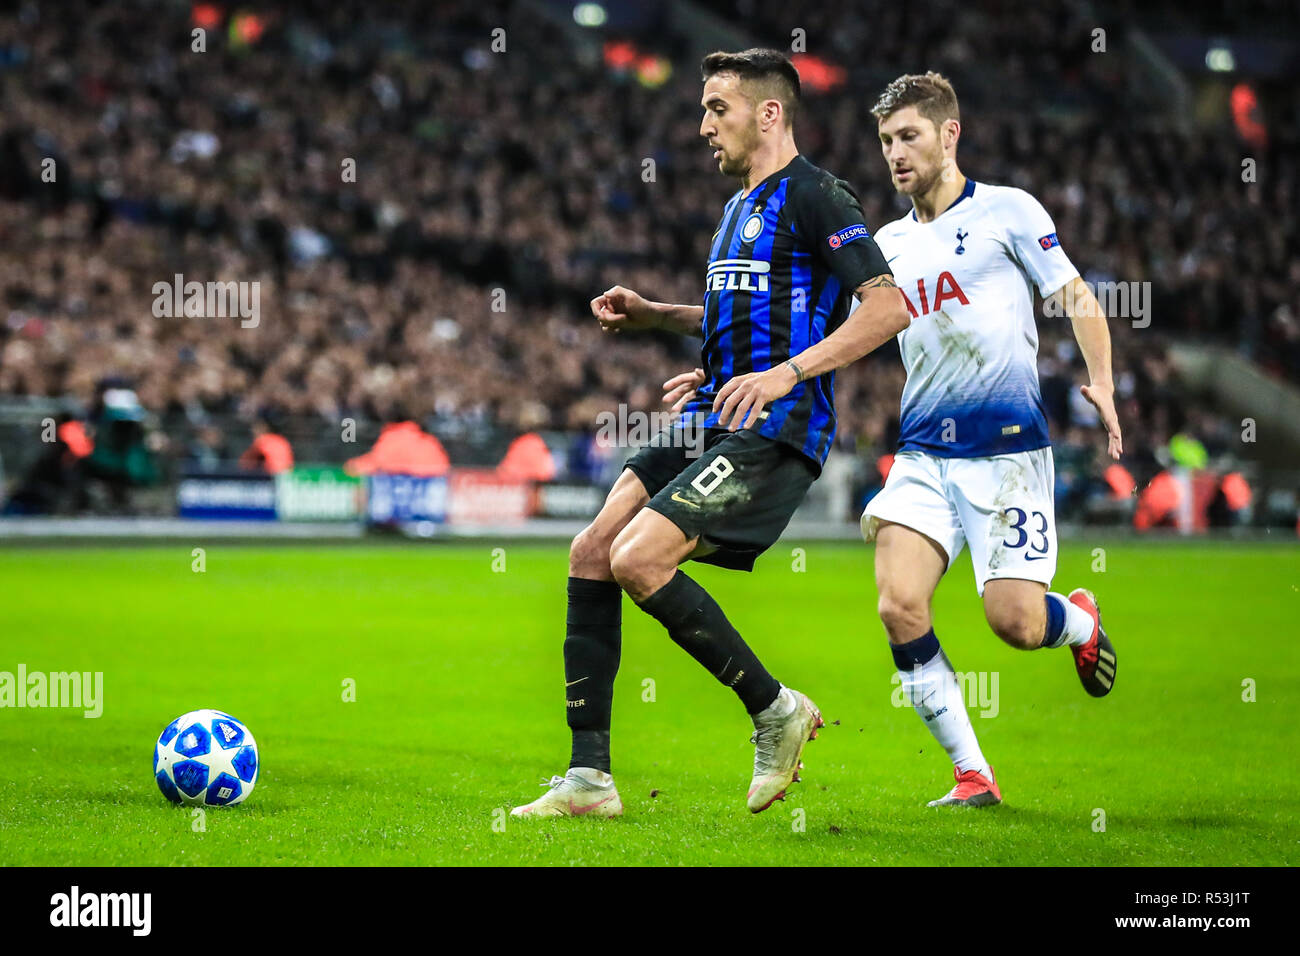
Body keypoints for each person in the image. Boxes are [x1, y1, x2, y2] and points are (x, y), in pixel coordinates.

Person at [511, 49, 909, 818]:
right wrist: (661, 317)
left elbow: (886, 306)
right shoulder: (735, 208)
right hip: (713, 413)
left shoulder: (819, 196)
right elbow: (753, 313)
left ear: (768, 112)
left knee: (637, 558)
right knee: (591, 551)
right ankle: (589, 780)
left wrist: (783, 375)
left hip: (775, 422)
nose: (702, 127)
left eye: (715, 108)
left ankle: (775, 710)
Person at [857, 73, 1123, 806]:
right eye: (885, 141)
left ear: (950, 134)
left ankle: (1079, 622)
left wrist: (1101, 380)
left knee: (1014, 622)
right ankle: (973, 773)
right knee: (898, 604)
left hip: (1008, 454)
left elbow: (1077, 297)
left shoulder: (1009, 212)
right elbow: (825, 327)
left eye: (908, 135)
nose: (895, 153)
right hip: (921, 454)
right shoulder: (887, 244)